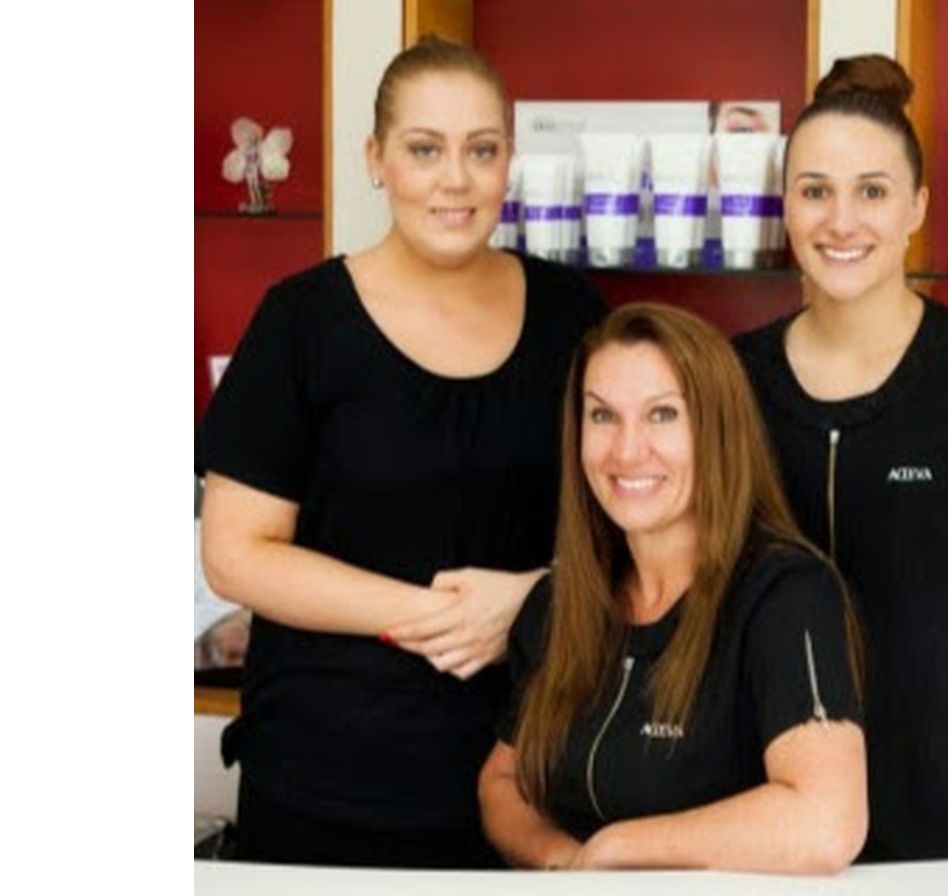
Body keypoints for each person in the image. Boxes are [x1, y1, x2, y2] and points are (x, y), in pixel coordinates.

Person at [195, 35, 606, 868]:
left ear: (509, 159)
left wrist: (530, 601)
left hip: (528, 775)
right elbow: (235, 554)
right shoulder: (301, 322)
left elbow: (635, 525)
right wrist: (445, 617)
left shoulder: (572, 315)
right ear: (375, 158)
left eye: (480, 150)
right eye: (424, 149)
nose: (455, 179)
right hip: (325, 774)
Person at [734, 55, 948, 861]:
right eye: (814, 191)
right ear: (785, 206)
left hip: (943, 798)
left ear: (916, 206)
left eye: (872, 192)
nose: (840, 221)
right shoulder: (732, 376)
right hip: (761, 790)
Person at [478, 303, 867, 873]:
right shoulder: (561, 602)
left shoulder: (786, 596)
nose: (627, 450)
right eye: (603, 416)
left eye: (662, 414)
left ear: (717, 430)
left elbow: (826, 820)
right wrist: (565, 863)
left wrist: (616, 850)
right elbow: (503, 781)